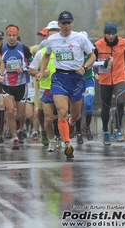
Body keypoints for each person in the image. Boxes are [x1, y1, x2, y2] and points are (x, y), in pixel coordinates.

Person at [37, 11, 96, 159]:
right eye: (63, 23)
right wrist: (42, 71)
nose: (66, 26)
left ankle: (70, 123)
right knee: (62, 111)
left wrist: (85, 67)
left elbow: (93, 55)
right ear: (59, 25)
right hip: (59, 78)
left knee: (75, 115)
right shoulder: (52, 40)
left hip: (76, 78)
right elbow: (46, 55)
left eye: (69, 22)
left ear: (73, 23)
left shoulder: (80, 38)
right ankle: (67, 143)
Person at [94, 22, 125, 145]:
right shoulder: (98, 45)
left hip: (119, 78)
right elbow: (91, 60)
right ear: (104, 34)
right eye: (108, 34)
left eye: (113, 34)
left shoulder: (123, 42)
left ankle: (118, 129)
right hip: (104, 79)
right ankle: (106, 131)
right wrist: (95, 72)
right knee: (105, 107)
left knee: (120, 102)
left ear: (116, 33)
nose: (111, 36)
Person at [0, 24, 33, 150]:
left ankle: (22, 128)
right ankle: (15, 138)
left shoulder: (23, 48)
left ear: (17, 35)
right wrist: (0, 75)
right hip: (7, 84)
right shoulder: (2, 49)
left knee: (21, 115)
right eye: (9, 35)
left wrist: (24, 69)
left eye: (14, 35)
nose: (12, 38)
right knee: (10, 111)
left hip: (21, 84)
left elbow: (33, 64)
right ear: (7, 36)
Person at [29, 21, 61, 152]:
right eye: (50, 36)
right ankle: (51, 139)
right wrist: (40, 73)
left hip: (61, 88)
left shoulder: (63, 51)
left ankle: (61, 138)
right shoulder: (41, 52)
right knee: (48, 118)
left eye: (55, 35)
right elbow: (31, 70)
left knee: (61, 115)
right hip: (46, 88)